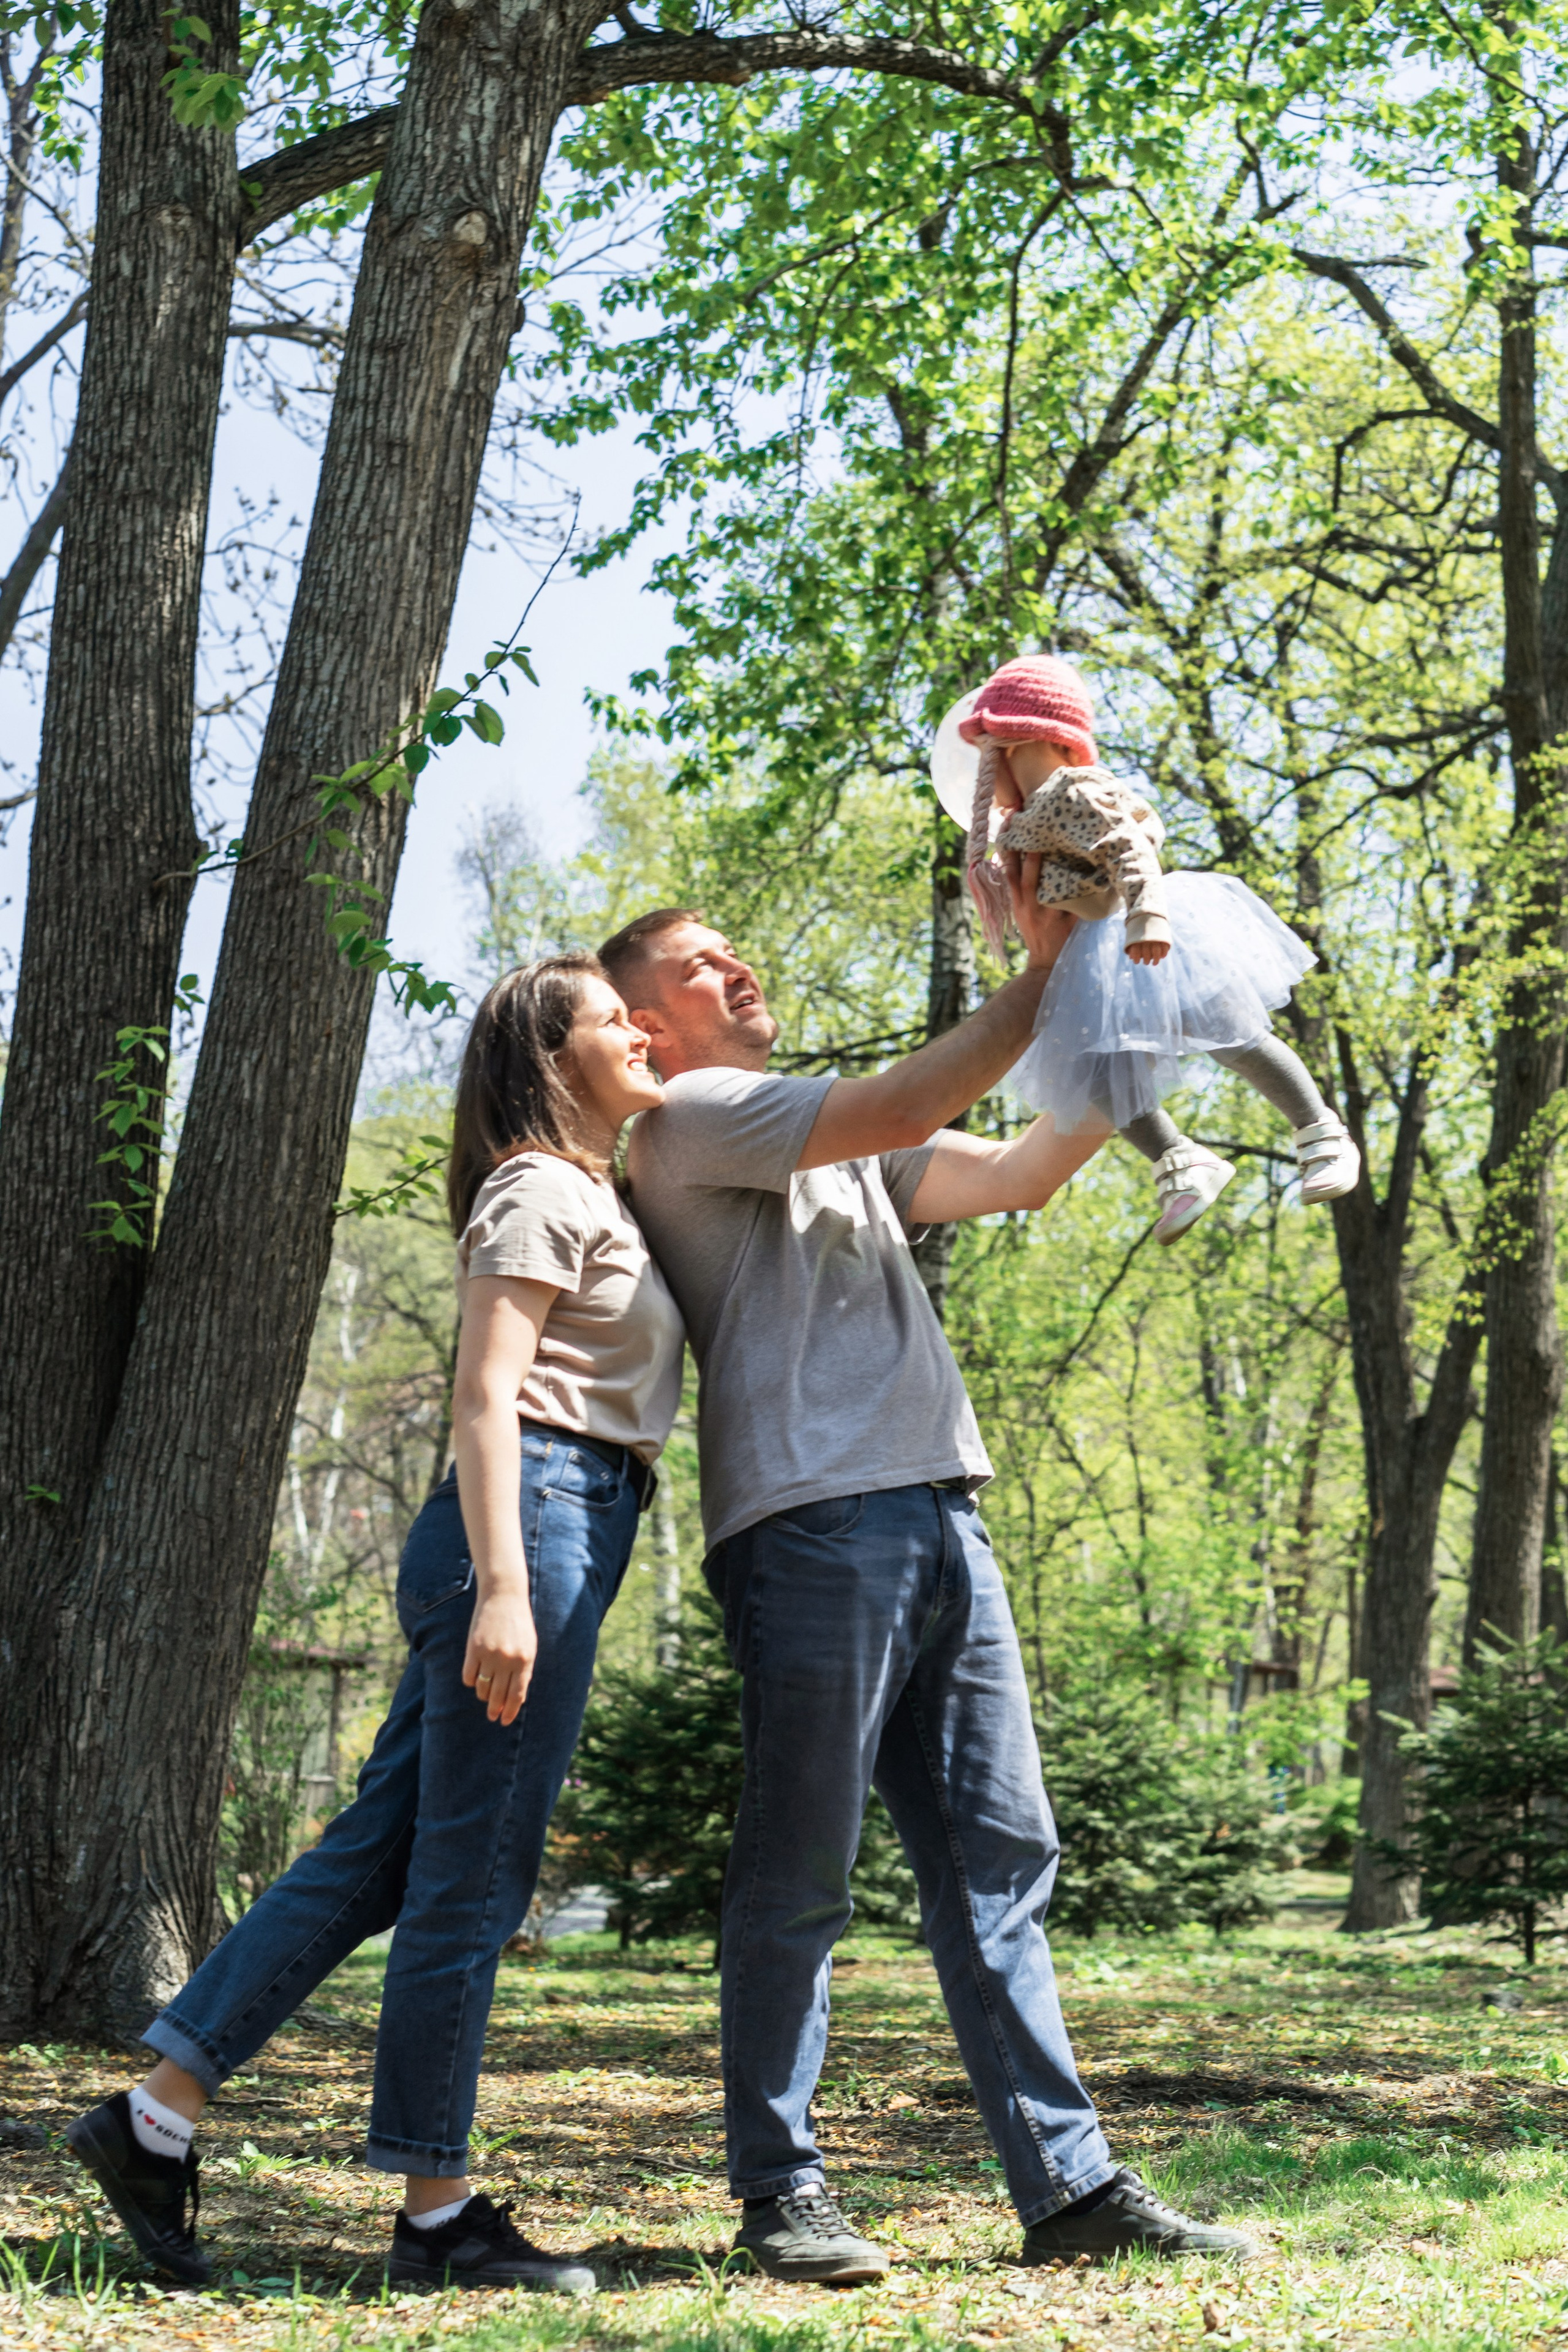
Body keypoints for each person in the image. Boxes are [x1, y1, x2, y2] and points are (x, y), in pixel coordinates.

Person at [598, 895, 1258, 2282]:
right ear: (648, 1024)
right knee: (799, 1875)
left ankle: (1067, 2184)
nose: (736, 956)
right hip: (808, 1522)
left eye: (737, 935)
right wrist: (1044, 967)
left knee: (1001, 1856)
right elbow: (913, 1090)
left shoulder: (833, 1152)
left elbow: (1023, 1169)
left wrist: (1121, 1019)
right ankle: (780, 2191)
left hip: (941, 1508)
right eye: (696, 959)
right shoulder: (691, 1114)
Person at [67, 956, 684, 2295]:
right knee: (471, 1883)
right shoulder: (537, 1187)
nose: (639, 1029)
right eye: (608, 1017)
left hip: (556, 1520)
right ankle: (437, 2213)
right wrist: (509, 1587)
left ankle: (153, 2115)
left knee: (381, 1857)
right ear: (546, 1055)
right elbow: (485, 1399)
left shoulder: (593, 1191)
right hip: (530, 1522)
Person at [932, 654, 1360, 1243]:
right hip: (1093, 950)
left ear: (1013, 742)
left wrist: (1148, 915)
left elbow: (1129, 845)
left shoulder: (1072, 789)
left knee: (1231, 1032)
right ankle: (1181, 1163)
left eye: (984, 752)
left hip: (1143, 931)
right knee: (1094, 1070)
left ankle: (1321, 1131)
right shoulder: (1029, 819)